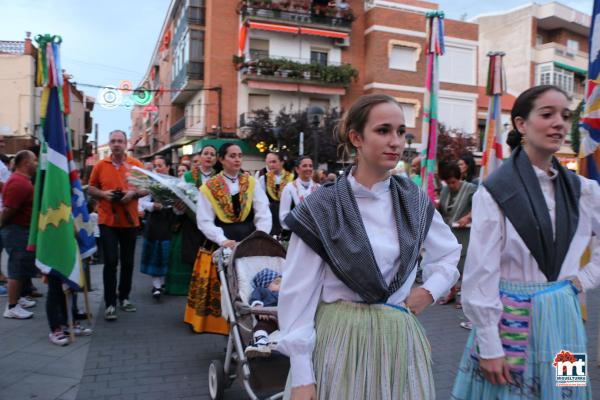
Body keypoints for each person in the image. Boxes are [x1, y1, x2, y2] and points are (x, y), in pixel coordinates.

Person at [278, 94, 461, 399]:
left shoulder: (413, 200)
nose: (395, 141)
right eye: (383, 130)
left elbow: (449, 252)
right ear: (356, 138)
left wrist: (429, 291)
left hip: (398, 341)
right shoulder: (323, 207)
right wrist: (301, 376)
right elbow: (298, 293)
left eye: (401, 132)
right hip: (340, 340)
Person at [452, 85, 600, 399]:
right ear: (521, 124)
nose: (559, 122)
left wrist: (583, 278)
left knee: (568, 391)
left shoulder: (583, 191)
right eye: (547, 114)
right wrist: (489, 345)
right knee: (510, 392)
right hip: (511, 318)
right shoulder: (495, 191)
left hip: (564, 317)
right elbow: (481, 273)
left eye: (565, 115)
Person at [186, 143, 271, 334]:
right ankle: (228, 329)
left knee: (247, 284)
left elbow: (263, 212)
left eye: (239, 155)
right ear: (221, 159)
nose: (237, 159)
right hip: (223, 241)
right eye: (232, 156)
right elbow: (204, 220)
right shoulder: (209, 187)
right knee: (225, 288)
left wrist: (261, 235)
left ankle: (252, 327)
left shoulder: (251, 182)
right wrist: (222, 240)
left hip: (248, 239)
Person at [88, 130, 146, 321]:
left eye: (120, 141)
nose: (116, 144)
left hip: (129, 221)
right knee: (111, 261)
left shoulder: (136, 165)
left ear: (126, 143)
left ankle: (124, 297)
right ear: (109, 144)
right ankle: (110, 303)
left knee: (128, 262)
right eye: (113, 141)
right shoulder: (100, 165)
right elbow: (91, 187)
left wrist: (133, 194)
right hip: (108, 221)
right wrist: (104, 195)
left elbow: (147, 187)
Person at [166, 145, 218, 296]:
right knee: (191, 259)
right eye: (206, 153)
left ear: (216, 159)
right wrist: (179, 206)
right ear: (200, 157)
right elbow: (178, 199)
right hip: (191, 225)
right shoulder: (187, 176)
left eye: (212, 154)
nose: (209, 156)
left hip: (212, 225)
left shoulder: (219, 178)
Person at [1, 150, 38, 319]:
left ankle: (20, 298)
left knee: (22, 266)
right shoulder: (18, 183)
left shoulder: (22, 181)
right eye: (35, 160)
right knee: (16, 267)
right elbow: (9, 209)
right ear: (26, 163)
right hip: (16, 230)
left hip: (22, 229)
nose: (37, 163)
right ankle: (12, 306)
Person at [436, 161, 476, 308]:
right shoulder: (445, 190)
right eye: (448, 182)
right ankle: (452, 293)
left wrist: (469, 216)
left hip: (465, 235)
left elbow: (480, 206)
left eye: (453, 182)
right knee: (450, 266)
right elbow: (441, 210)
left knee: (464, 267)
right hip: (448, 234)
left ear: (459, 178)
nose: (451, 185)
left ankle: (465, 298)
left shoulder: (471, 189)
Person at [139, 157, 176, 300]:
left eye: (160, 166)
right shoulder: (151, 184)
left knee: (165, 255)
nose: (157, 169)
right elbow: (142, 203)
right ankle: (157, 286)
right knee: (155, 254)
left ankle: (162, 283)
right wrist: (153, 206)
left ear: (167, 167)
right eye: (155, 166)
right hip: (154, 223)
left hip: (169, 222)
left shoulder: (174, 184)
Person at [245, 268, 281, 358]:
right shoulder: (261, 290)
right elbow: (254, 299)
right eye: (277, 283)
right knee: (261, 327)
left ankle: (276, 343)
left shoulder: (284, 293)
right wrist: (259, 308)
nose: (281, 285)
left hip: (285, 319)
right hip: (269, 318)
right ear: (265, 285)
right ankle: (261, 343)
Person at [279, 156, 320, 232]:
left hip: (316, 234)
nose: (308, 168)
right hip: (296, 233)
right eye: (304, 166)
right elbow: (284, 216)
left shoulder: (318, 188)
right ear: (297, 169)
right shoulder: (289, 189)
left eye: (310, 166)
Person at [259, 152, 294, 237]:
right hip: (271, 216)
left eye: (274, 162)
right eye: (269, 162)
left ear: (282, 162)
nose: (271, 165)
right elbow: (261, 201)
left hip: (289, 215)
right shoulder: (264, 178)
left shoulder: (292, 178)